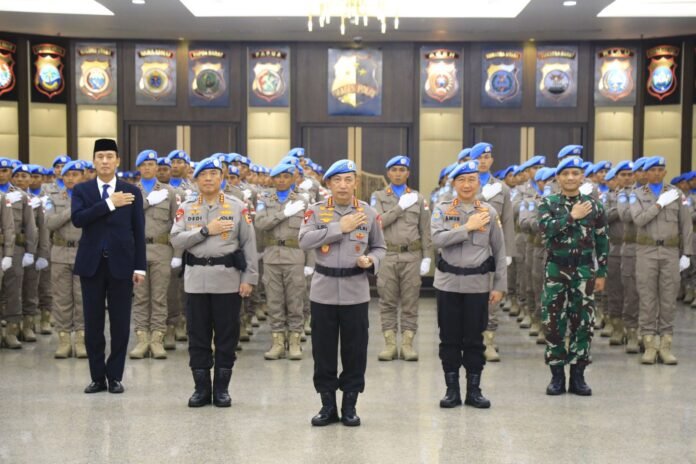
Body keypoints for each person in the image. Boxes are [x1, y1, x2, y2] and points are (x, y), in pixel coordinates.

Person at [299, 159, 386, 427]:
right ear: (328, 183)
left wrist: (371, 260)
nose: (343, 185)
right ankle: (327, 405)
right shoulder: (315, 211)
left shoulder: (368, 212)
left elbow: (380, 247)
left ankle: (350, 405)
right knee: (323, 351)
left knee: (355, 351)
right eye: (337, 180)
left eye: (348, 179)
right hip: (323, 290)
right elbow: (304, 240)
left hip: (355, 291)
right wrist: (340, 228)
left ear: (355, 183)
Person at [170, 157, 258, 408]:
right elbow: (176, 239)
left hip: (227, 280)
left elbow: (249, 244)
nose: (208, 179)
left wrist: (249, 278)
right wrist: (205, 231)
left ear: (222, 178)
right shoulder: (187, 207)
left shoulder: (237, 206)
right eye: (203, 175)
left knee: (227, 336)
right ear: (196, 179)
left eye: (213, 174)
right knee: (197, 335)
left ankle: (221, 389)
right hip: (196, 280)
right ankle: (201, 389)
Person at [71, 139, 146, 394]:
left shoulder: (131, 191)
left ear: (117, 161)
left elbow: (138, 230)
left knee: (120, 324)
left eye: (109, 156)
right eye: (100, 156)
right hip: (91, 265)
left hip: (122, 265)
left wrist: (140, 267)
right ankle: (97, 377)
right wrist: (110, 203)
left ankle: (115, 376)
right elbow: (78, 219)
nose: (105, 161)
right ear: (94, 161)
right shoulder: (82, 190)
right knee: (93, 324)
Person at [431, 160, 506, 410]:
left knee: (475, 339)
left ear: (478, 183)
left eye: (471, 180)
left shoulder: (489, 212)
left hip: (477, 285)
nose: (466, 185)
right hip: (448, 284)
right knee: (449, 338)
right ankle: (452, 390)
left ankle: (474, 390)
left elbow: (499, 250)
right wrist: (467, 227)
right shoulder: (442, 209)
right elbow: (437, 239)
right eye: (461, 180)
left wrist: (499, 285)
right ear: (454, 183)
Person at [538, 156, 608, 397]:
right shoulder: (548, 203)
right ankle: (557, 375)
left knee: (583, 323)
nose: (570, 178)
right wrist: (572, 216)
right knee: (553, 321)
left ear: (582, 177)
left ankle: (578, 375)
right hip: (556, 270)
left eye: (575, 173)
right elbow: (545, 230)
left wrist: (602, 272)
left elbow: (602, 239)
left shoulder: (594, 205)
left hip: (584, 271)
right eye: (565, 173)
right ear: (558, 177)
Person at [629, 156, 692, 365]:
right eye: (652, 170)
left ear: (665, 172)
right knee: (647, 298)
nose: (657, 173)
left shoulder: (677, 194)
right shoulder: (636, 194)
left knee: (668, 298)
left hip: (670, 252)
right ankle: (649, 345)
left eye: (660, 170)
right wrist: (659, 204)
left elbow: (686, 225)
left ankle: (665, 345)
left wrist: (687, 253)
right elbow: (639, 219)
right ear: (646, 173)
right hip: (646, 251)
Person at [371, 155, 432, 362]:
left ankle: (407, 344)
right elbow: (377, 223)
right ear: (388, 173)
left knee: (410, 302)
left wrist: (427, 257)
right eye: (394, 170)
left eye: (402, 170)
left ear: (408, 173)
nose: (398, 174)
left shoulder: (418, 198)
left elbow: (425, 230)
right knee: (387, 302)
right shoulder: (378, 196)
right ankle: (390, 345)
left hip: (412, 256)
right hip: (387, 255)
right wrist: (399, 208)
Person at [254, 163, 311, 360]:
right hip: (271, 256)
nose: (281, 180)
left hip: (295, 256)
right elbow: (260, 223)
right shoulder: (264, 199)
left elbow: (310, 232)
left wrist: (310, 263)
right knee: (274, 301)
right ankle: (277, 342)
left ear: (293, 178)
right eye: (278, 176)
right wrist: (284, 214)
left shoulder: (302, 201)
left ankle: (294, 342)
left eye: (286, 176)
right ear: (272, 179)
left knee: (295, 300)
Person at [129, 149, 179, 360]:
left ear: (157, 167)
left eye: (151, 164)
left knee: (159, 297)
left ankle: (157, 339)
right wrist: (148, 201)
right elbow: (126, 218)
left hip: (161, 250)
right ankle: (142, 339)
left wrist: (177, 253)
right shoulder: (130, 191)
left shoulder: (170, 192)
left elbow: (177, 224)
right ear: (139, 168)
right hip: (137, 251)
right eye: (144, 164)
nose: (148, 168)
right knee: (140, 298)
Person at [469, 142, 514, 362]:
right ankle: (470, 340)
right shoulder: (464, 183)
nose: (483, 161)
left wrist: (508, 251)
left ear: (492, 160)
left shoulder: (502, 188)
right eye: (479, 158)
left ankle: (488, 341)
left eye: (486, 157)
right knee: (469, 297)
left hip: (493, 249)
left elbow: (508, 221)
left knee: (492, 298)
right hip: (469, 248)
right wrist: (482, 197)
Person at [45, 160, 87, 358]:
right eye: (67, 175)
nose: (70, 178)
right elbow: (50, 223)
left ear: (83, 176)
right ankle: (63, 340)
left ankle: (80, 339)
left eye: (75, 174)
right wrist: (72, 210)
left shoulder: (91, 197)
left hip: (83, 252)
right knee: (62, 298)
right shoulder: (53, 197)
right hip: (60, 252)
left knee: (82, 298)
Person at [0, 158, 38, 349]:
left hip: (15, 248)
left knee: (13, 290)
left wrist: (30, 251)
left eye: (5, 170)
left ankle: (12, 331)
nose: (1, 174)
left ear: (11, 174)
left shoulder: (21, 196)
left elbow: (30, 226)